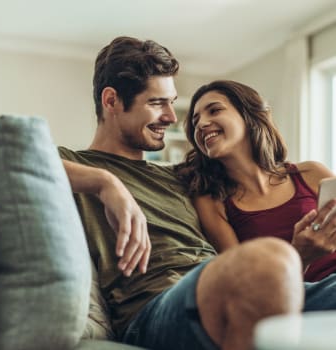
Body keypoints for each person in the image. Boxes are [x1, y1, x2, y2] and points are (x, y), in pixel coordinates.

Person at [58, 37, 333, 350]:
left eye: (171, 102)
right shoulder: (75, 165)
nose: (173, 118)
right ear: (111, 101)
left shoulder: (185, 179)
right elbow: (4, 153)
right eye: (156, 103)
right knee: (269, 258)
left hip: (215, 283)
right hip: (154, 307)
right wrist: (105, 183)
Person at [177, 79, 336, 283]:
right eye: (195, 120)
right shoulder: (212, 201)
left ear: (248, 116)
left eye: (214, 111)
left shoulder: (311, 172)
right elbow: (246, 285)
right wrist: (300, 256)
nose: (201, 124)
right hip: (302, 294)